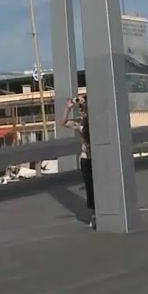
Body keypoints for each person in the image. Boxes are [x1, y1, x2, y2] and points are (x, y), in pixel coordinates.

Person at [60, 94, 94, 228]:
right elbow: (64, 122)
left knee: (98, 186)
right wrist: (68, 108)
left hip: (97, 158)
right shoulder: (80, 124)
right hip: (86, 158)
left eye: (83, 108)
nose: (82, 110)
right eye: (81, 108)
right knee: (90, 187)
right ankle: (94, 213)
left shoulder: (94, 121)